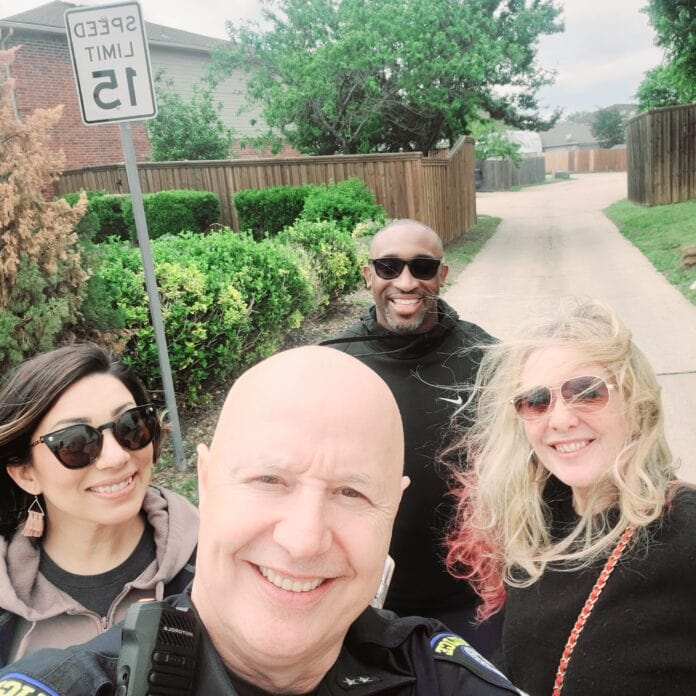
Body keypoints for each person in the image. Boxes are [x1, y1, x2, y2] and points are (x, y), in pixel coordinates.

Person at [0, 346, 524, 695]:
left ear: (393, 508)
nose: (302, 539)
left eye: (352, 492)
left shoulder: (438, 676)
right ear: (204, 481)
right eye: (269, 480)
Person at [446, 298, 696, 695]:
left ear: (636, 402)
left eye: (586, 392)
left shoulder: (685, 533)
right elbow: (523, 663)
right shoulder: (537, 527)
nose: (561, 419)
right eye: (536, 401)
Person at [324, 219, 498, 651]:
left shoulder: (488, 361)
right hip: (366, 600)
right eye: (388, 267)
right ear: (368, 276)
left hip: (474, 601)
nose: (405, 282)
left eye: (422, 267)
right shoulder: (333, 366)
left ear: (442, 274)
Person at [0, 343, 198, 665]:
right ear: (26, 474)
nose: (116, 457)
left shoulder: (212, 561)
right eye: (75, 443)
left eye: (130, 425)